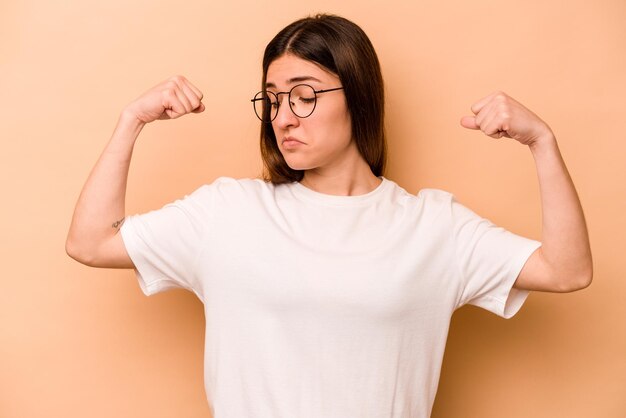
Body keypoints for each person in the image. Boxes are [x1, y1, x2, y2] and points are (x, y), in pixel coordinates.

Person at [66, 13, 592, 418]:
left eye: (304, 96)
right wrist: (131, 120)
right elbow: (90, 242)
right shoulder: (227, 211)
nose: (283, 118)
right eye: (273, 100)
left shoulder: (434, 226)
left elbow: (567, 271)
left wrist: (542, 143)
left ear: (358, 97)